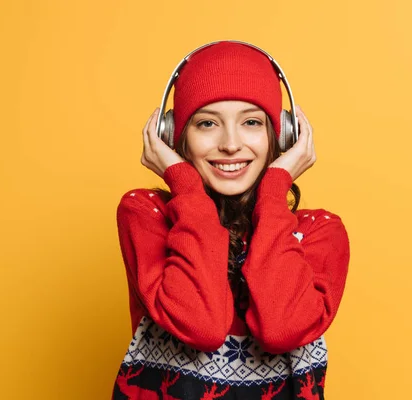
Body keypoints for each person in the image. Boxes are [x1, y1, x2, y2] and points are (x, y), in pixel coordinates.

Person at [111, 41, 350, 400]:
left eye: (251, 122)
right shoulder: (146, 215)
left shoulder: (319, 232)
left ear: (281, 135)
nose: (230, 144)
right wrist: (185, 188)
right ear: (174, 136)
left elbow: (281, 329)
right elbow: (202, 326)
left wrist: (273, 193)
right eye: (207, 124)